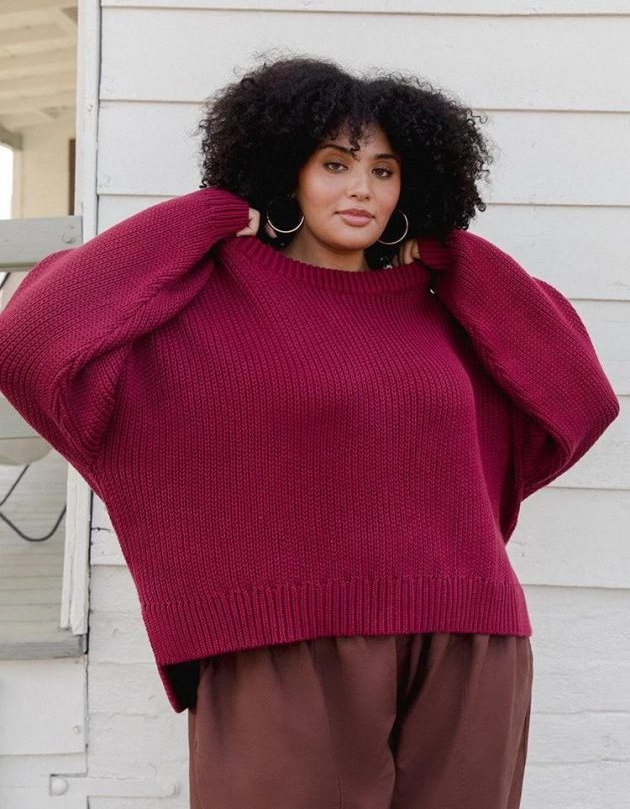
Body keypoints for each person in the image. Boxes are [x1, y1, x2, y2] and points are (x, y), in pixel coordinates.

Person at [0, 54, 619, 809]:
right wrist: (208, 215)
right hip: (277, 642)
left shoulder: (445, 309)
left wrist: (459, 257)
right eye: (335, 164)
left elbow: (579, 395)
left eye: (384, 171)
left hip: (467, 637)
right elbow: (29, 339)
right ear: (284, 170)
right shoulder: (208, 307)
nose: (362, 189)